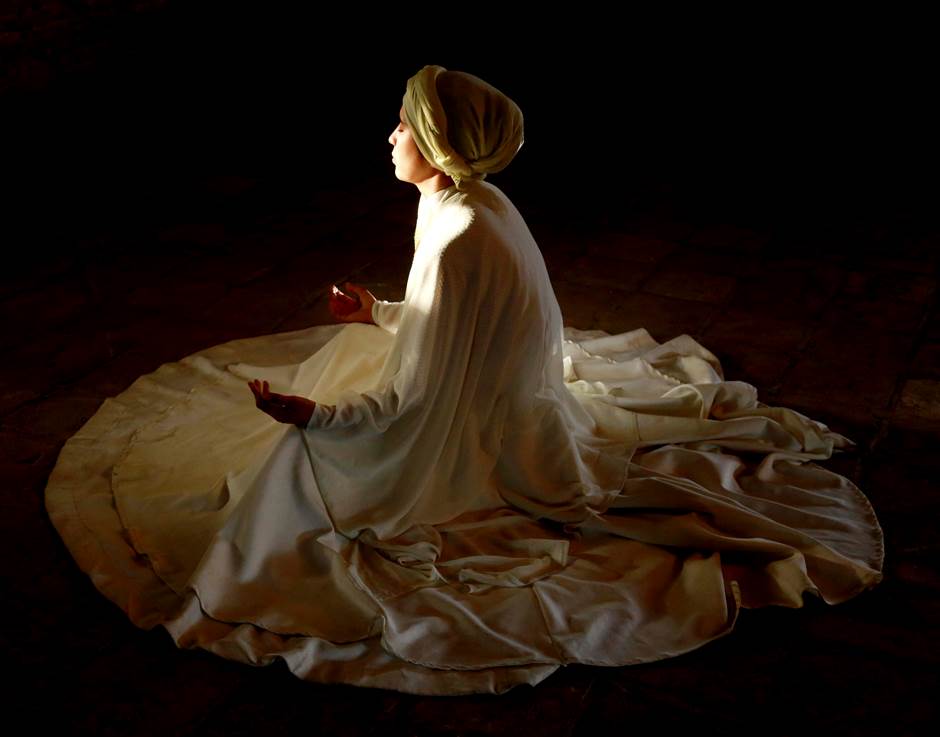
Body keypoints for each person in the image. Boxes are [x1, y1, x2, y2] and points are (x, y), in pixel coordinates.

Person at [45, 65, 884, 695]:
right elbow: (447, 326)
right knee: (341, 360)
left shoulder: (459, 235)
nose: (389, 139)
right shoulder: (467, 201)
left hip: (485, 417)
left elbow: (415, 397)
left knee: (293, 470)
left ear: (438, 145)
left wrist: (319, 419)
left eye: (401, 127)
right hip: (486, 380)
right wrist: (378, 310)